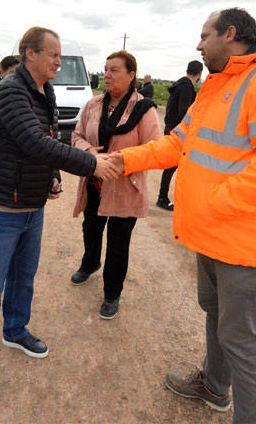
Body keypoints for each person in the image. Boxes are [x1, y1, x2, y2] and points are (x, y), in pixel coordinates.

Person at [108, 8, 256, 423]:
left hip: (241, 239)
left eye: (205, 36)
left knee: (243, 342)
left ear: (230, 34)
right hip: (211, 233)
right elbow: (175, 145)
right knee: (216, 314)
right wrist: (121, 159)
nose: (198, 46)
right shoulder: (215, 87)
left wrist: (214, 204)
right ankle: (216, 388)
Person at [0, 27, 119, 410]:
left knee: (23, 277)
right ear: (30, 54)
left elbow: (46, 137)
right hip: (1, 208)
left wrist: (51, 175)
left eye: (60, 56)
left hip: (32, 206)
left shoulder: (43, 91)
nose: (58, 62)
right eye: (53, 55)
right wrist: (91, 164)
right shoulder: (11, 90)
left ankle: (15, 331)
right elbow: (35, 141)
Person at [69, 50, 161, 319]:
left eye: (114, 70)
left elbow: (155, 149)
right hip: (95, 185)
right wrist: (90, 152)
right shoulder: (93, 105)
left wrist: (121, 161)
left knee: (118, 244)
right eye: (105, 69)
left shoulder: (144, 109)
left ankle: (112, 293)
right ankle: (89, 264)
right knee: (91, 229)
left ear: (131, 76)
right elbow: (76, 136)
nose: (107, 75)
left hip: (125, 189)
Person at [156, 60, 204, 211]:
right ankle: (163, 198)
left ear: (187, 70)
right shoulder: (186, 88)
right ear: (200, 73)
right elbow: (184, 112)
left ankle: (166, 197)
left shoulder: (180, 85)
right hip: (179, 132)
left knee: (173, 166)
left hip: (172, 128)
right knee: (172, 166)